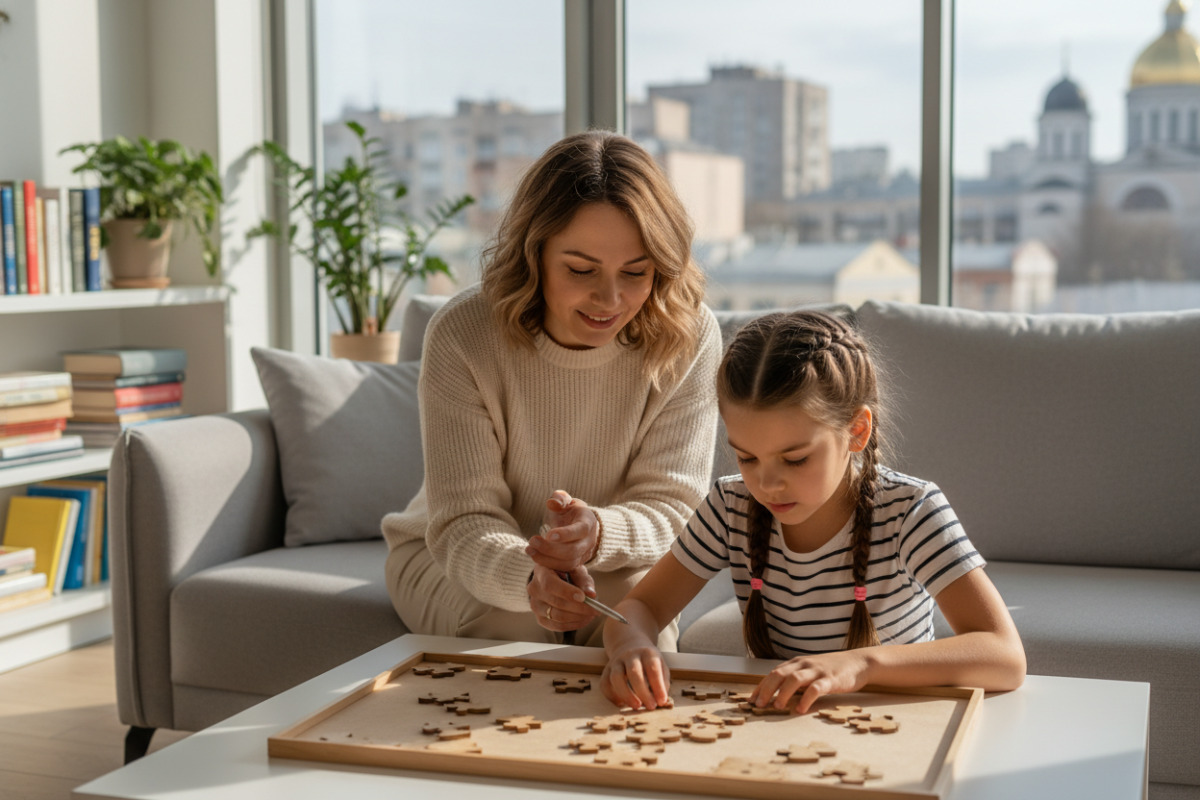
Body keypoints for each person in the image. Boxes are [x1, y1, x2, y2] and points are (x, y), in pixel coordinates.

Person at [382, 130, 722, 649]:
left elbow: (675, 505)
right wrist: (529, 576)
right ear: (533, 253)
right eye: (580, 269)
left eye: (636, 271)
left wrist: (597, 533)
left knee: (631, 629)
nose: (609, 298)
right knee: (518, 628)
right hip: (452, 554)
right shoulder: (464, 333)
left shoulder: (689, 335)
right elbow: (463, 520)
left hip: (612, 557)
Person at [601, 310, 1026, 712]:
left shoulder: (911, 511)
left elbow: (1004, 654)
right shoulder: (731, 506)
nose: (766, 485)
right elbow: (640, 607)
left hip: (891, 730)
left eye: (796, 459)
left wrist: (858, 665)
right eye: (747, 458)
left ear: (857, 430)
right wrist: (629, 645)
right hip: (774, 731)